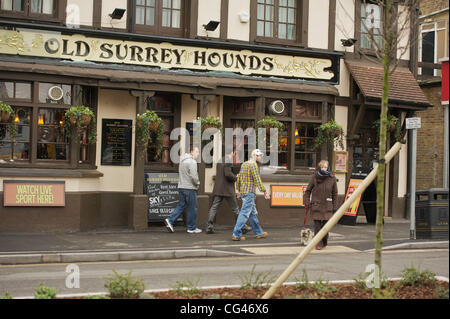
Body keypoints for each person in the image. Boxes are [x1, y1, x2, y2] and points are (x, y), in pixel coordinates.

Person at [206, 150, 251, 234]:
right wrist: (236, 177)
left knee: (214, 207)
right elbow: (227, 174)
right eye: (235, 154)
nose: (236, 156)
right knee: (235, 209)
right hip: (227, 189)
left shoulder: (220, 160)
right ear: (232, 153)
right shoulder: (229, 161)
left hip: (219, 188)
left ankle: (209, 227)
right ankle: (243, 226)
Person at [232, 149, 270, 241]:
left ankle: (259, 232)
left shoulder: (244, 164)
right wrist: (264, 191)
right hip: (249, 193)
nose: (260, 157)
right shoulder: (253, 165)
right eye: (259, 155)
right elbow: (257, 179)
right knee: (244, 213)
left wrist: (238, 191)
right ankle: (236, 234)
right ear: (255, 156)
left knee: (252, 214)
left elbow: (239, 178)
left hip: (244, 192)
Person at [164, 146, 202, 234]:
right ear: (191, 151)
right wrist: (198, 183)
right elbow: (194, 176)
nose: (198, 154)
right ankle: (191, 228)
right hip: (190, 188)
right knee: (193, 208)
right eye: (197, 152)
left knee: (181, 205)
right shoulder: (192, 162)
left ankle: (170, 220)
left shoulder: (182, 160)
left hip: (181, 186)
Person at [304, 160, 338, 250]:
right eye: (322, 167)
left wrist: (335, 206)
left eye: (325, 167)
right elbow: (308, 191)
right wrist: (307, 202)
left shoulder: (332, 178)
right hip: (316, 205)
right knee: (318, 226)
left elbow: (335, 193)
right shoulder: (314, 177)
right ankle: (318, 243)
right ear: (319, 168)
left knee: (326, 226)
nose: (324, 169)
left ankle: (324, 241)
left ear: (328, 168)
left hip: (328, 206)